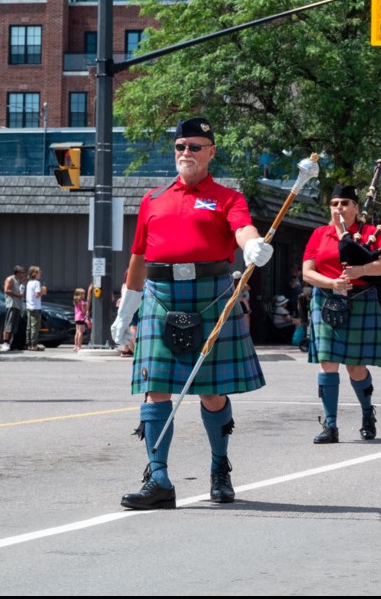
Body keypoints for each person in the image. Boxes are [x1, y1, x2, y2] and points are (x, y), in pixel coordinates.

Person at [111, 116, 274, 510]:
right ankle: (158, 478)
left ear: (211, 152)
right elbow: (138, 258)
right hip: (160, 294)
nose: (186, 153)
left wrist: (252, 247)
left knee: (212, 392)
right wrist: (126, 311)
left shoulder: (227, 197)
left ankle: (220, 468)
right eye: (181, 146)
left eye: (195, 147)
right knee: (155, 387)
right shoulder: (153, 198)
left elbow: (243, 229)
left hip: (210, 293)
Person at [302, 183, 381, 444]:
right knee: (328, 362)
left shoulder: (369, 233)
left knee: (356, 367)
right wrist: (331, 283)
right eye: (334, 204)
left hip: (360, 299)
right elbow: (307, 272)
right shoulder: (320, 234)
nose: (339, 208)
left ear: (356, 207)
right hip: (326, 299)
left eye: (344, 203)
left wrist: (361, 271)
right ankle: (330, 425)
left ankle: (367, 413)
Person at [1, 265, 25, 351]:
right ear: (17, 272)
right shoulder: (10, 279)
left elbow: (21, 292)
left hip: (18, 306)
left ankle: (12, 343)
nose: (23, 274)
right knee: (9, 325)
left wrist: (22, 284)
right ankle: (5, 343)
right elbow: (6, 290)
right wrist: (18, 295)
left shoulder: (19, 281)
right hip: (12, 305)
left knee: (15, 327)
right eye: (22, 272)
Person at [24, 266, 45, 351]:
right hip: (35, 307)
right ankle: (34, 345)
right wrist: (42, 292)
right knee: (35, 327)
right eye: (39, 272)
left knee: (29, 326)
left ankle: (28, 344)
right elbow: (37, 295)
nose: (41, 273)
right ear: (35, 273)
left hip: (29, 306)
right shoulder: (37, 283)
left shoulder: (29, 282)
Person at [73, 287, 88, 352]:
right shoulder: (82, 302)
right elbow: (83, 311)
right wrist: (86, 306)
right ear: (80, 295)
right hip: (81, 317)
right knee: (80, 332)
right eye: (83, 294)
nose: (84, 295)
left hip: (76, 317)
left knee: (76, 332)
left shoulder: (76, 301)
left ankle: (75, 346)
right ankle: (79, 346)